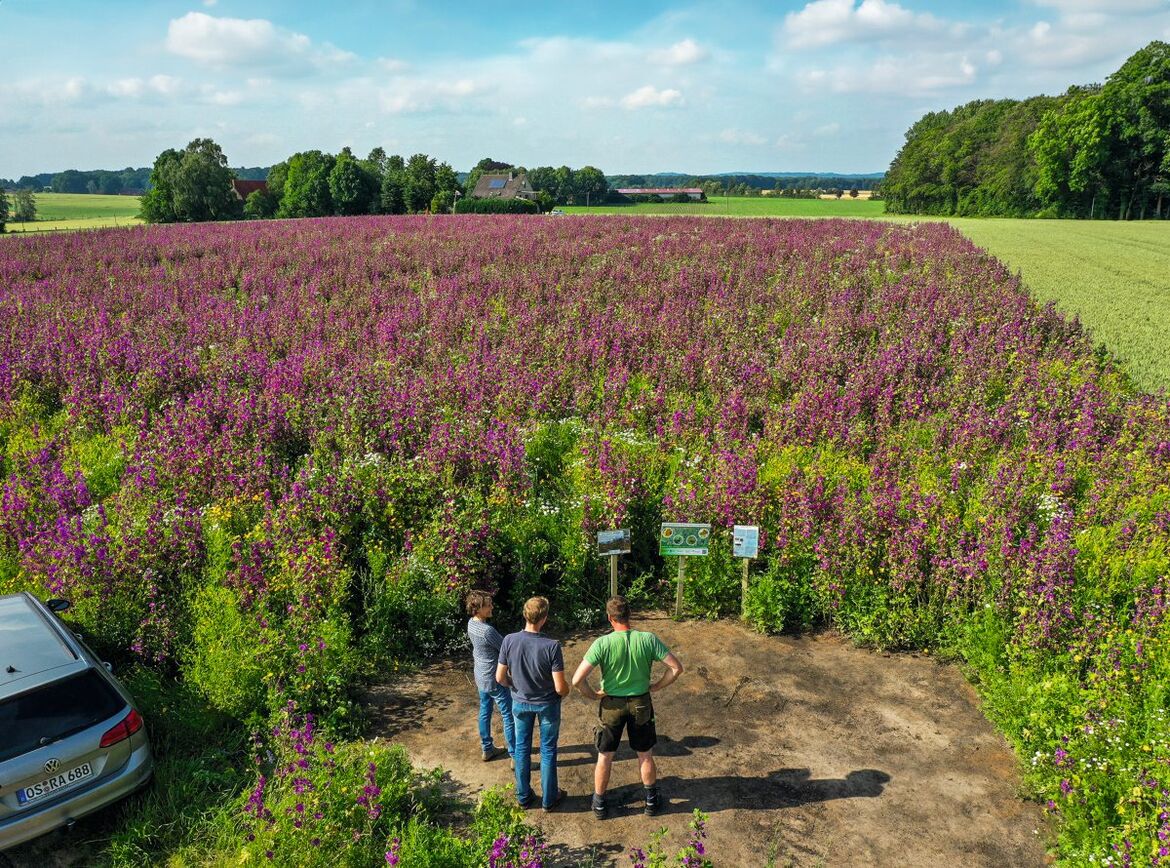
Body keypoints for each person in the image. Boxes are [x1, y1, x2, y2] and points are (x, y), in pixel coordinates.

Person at [572, 596, 684, 820]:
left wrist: (594, 695)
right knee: (645, 755)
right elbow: (676, 668)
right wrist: (655, 686)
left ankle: (600, 804)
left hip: (611, 704)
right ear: (629, 615)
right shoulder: (648, 639)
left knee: (605, 756)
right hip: (641, 703)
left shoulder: (602, 643)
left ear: (609, 618)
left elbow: (576, 680)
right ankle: (651, 801)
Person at [496, 596, 570, 812]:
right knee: (548, 750)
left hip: (520, 702)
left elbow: (499, 677)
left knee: (521, 748)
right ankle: (549, 799)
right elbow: (559, 687)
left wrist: (515, 686)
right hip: (547, 704)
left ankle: (523, 796)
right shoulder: (552, 646)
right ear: (544, 618)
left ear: (524, 614)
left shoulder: (509, 640)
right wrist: (566, 691)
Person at [466, 589, 514, 765]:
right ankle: (516, 757)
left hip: (480, 675)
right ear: (478, 608)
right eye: (488, 605)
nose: (492, 607)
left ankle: (487, 748)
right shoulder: (487, 631)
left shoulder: (471, 624)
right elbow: (505, 648)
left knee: (485, 711)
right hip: (494, 678)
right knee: (508, 715)